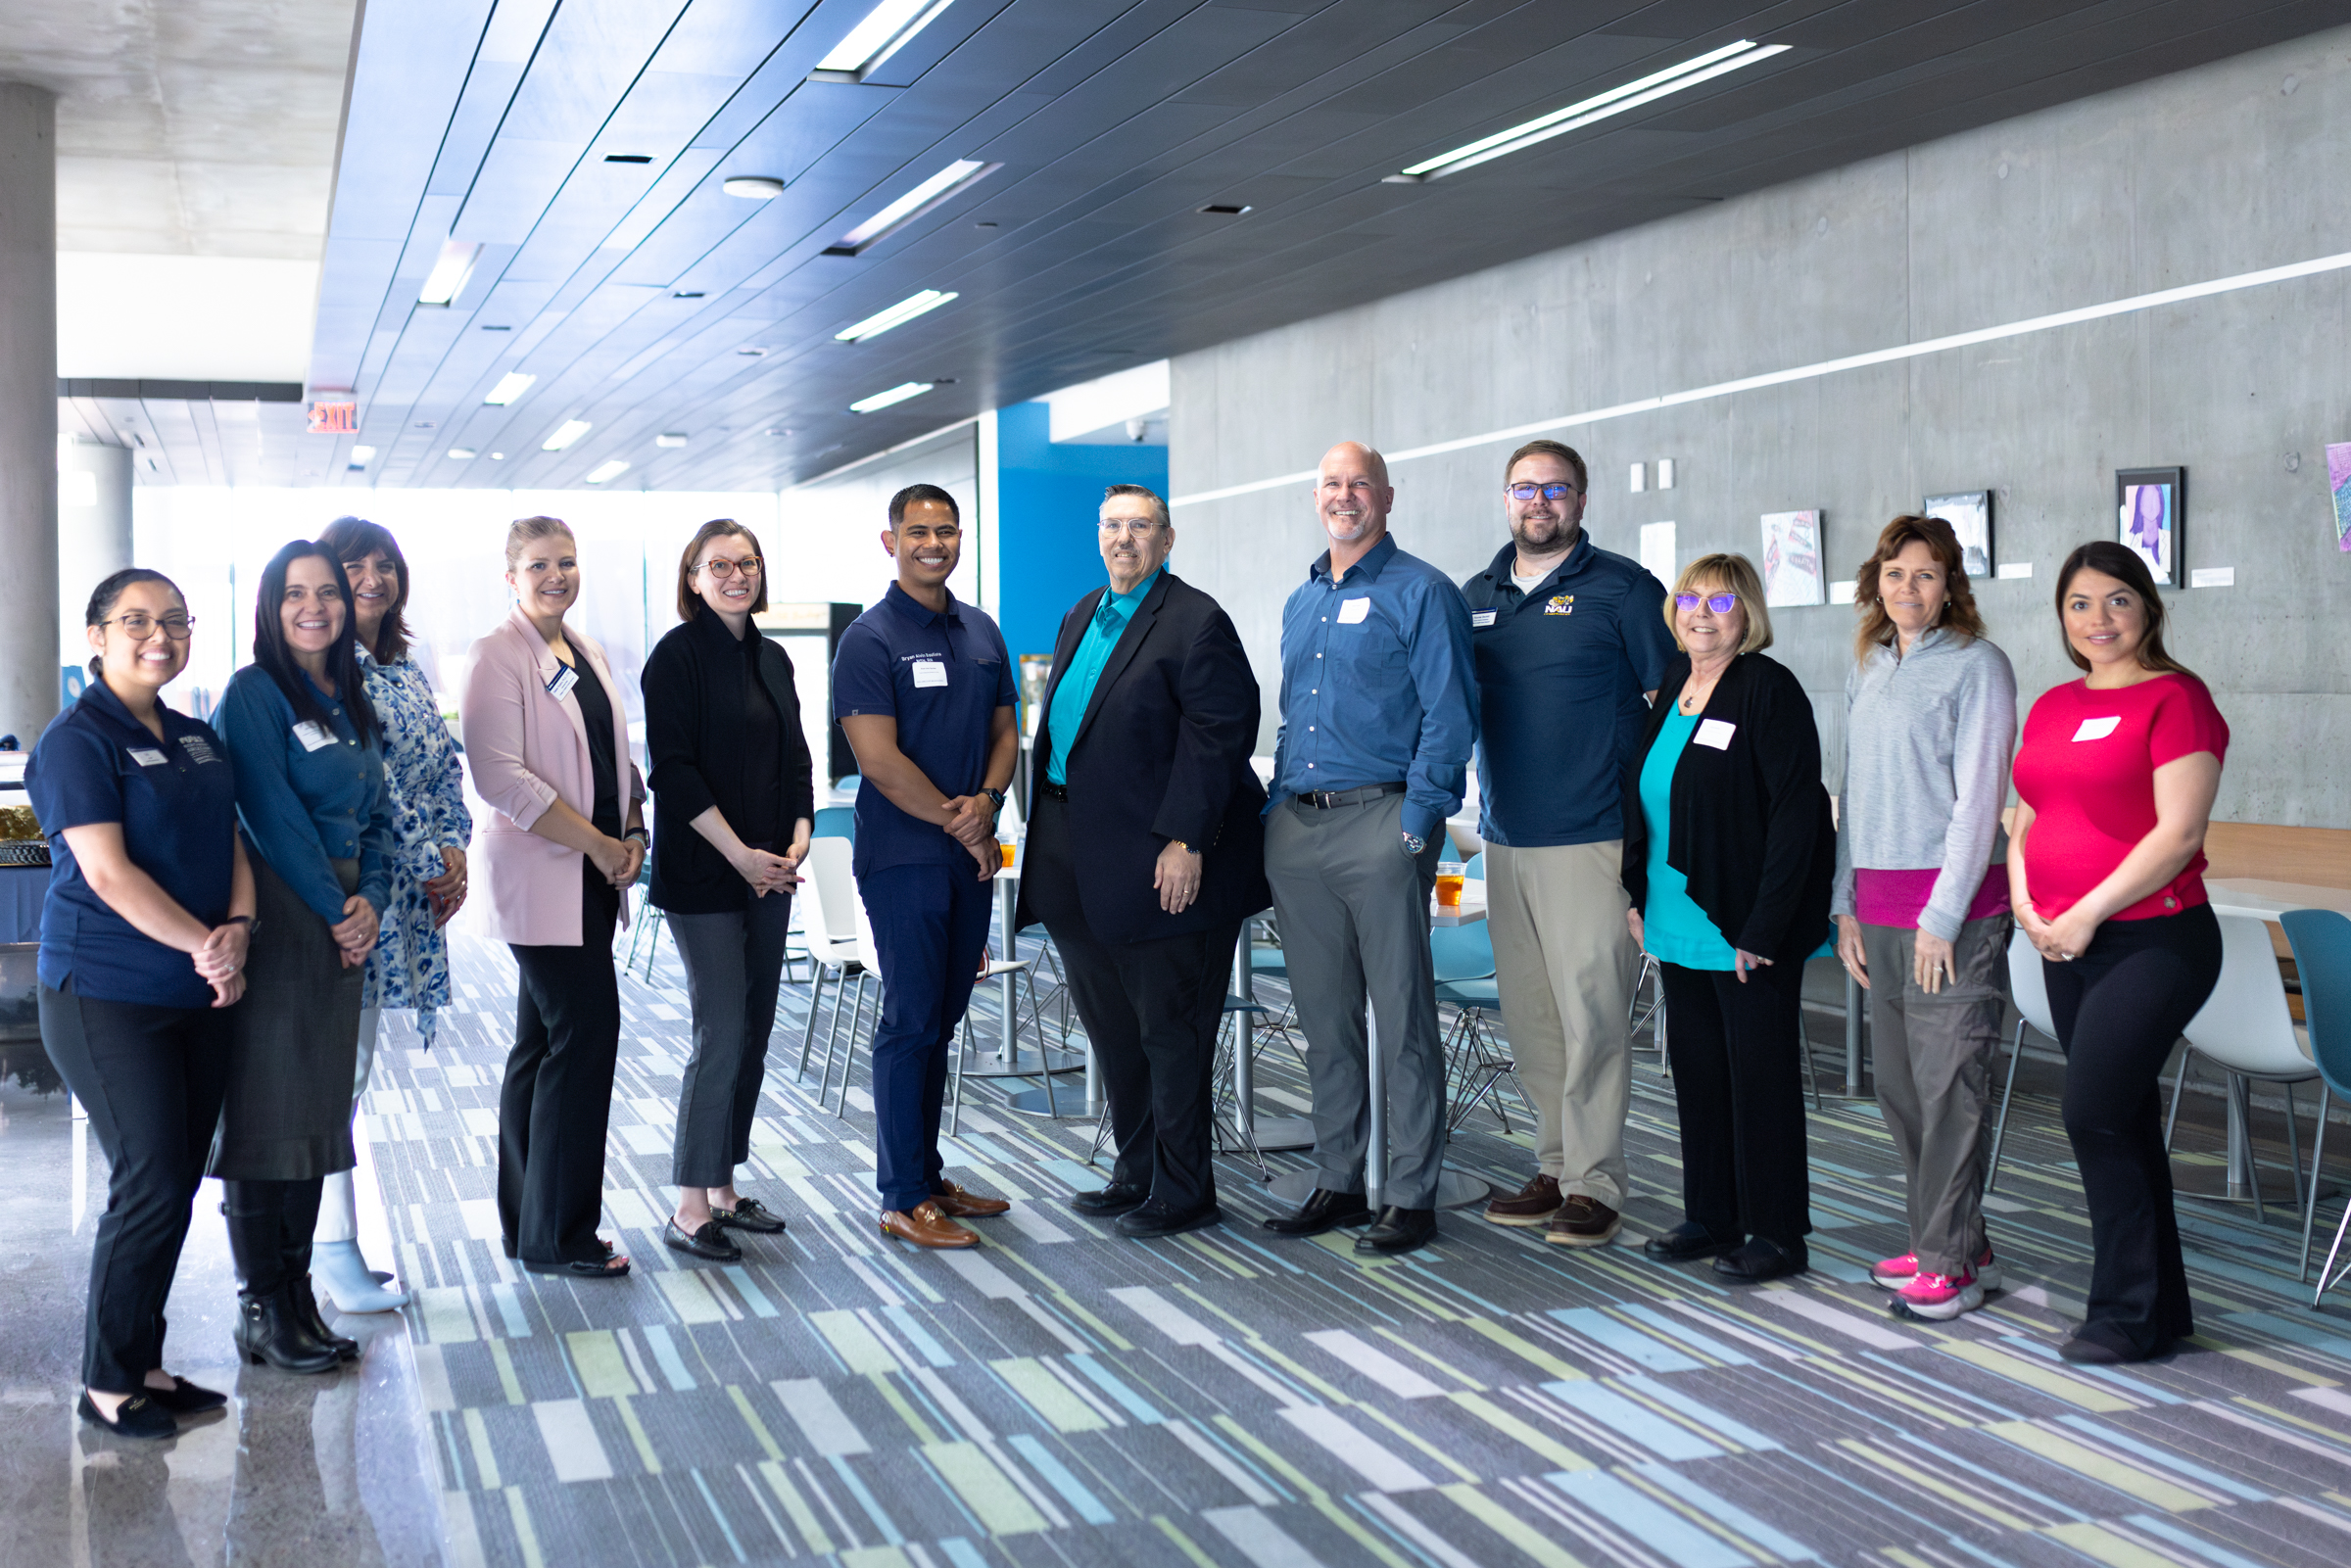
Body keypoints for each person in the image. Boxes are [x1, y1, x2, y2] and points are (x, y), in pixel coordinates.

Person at [31, 568, 254, 1437]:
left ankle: (147, 1362)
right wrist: (208, 945)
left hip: (199, 988)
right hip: (106, 992)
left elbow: (234, 841)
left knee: (175, 1180)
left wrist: (237, 924)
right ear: (96, 633)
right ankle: (106, 1379)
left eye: (173, 620)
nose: (157, 634)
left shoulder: (199, 738)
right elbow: (109, 875)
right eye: (134, 620)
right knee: (151, 1177)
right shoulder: (76, 741)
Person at [1015, 484, 1270, 1239]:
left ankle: (1187, 1187)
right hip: (1075, 856)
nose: (1124, 538)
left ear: (1167, 538)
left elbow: (1219, 734)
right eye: (1112, 526)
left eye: (1140, 526)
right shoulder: (1082, 614)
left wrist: (1186, 839)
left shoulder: (1196, 620)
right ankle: (1137, 1170)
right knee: (1114, 1029)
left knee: (1172, 1028)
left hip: (1164, 864)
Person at [2010, 540, 2227, 1363]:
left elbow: (2179, 834)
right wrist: (2031, 904)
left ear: (2148, 608)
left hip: (2155, 938)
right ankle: (2163, 1308)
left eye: (2116, 601)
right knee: (2125, 1116)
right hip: (2065, 940)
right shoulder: (2056, 705)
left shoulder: (2177, 699)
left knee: (2092, 1110)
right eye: (2079, 604)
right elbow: (2025, 813)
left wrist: (2086, 913)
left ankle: (2124, 1314)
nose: (2098, 619)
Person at [1261, 442, 1477, 1257]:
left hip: (1383, 822)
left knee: (1403, 1017)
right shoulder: (1300, 601)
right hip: (1298, 825)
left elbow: (1449, 715)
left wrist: (1417, 823)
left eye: (1359, 483)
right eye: (1330, 484)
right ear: (1316, 497)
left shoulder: (1421, 590)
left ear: (1386, 495)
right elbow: (1291, 719)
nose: (1344, 496)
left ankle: (1412, 1191)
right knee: (1323, 1019)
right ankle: (1341, 1176)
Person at [1460, 440, 1672, 1247]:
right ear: (1506, 499)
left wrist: (1649, 843)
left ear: (1580, 501)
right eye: (1524, 488)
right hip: (1505, 838)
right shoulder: (1476, 594)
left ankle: (1597, 1182)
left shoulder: (1624, 589)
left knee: (1593, 1018)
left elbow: (1671, 707)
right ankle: (1554, 1164)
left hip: (1594, 837)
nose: (1538, 501)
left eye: (1556, 488)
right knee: (1535, 1018)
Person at [1621, 553, 1834, 1285]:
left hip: (1745, 927)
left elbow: (1796, 821)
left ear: (1749, 613)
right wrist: (1634, 898)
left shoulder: (1768, 690)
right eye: (1689, 598)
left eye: (1721, 601)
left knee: (1761, 1083)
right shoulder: (1678, 685)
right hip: (1676, 919)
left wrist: (1765, 928)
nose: (1701, 613)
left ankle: (1777, 1232)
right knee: (1700, 1075)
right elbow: (1648, 800)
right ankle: (1711, 1214)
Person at [213, 541, 397, 1370]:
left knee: (318, 1113)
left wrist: (375, 903)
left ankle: (296, 1299)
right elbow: (272, 815)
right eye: (296, 594)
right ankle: (262, 1306)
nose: (316, 606)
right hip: (285, 918)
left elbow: (382, 815)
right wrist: (336, 911)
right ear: (270, 605)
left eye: (327, 591)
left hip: (340, 920)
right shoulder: (253, 695)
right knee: (268, 1118)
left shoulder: (351, 697)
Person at [1830, 516, 2017, 1321]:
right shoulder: (1869, 668)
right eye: (1896, 573)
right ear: (1877, 582)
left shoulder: (1980, 667)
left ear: (1952, 587)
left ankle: (1952, 1263)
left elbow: (1981, 803)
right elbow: (1853, 795)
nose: (1909, 588)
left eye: (1927, 574)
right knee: (1903, 1093)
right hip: (1877, 908)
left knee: (1950, 1091)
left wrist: (1943, 915)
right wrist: (1845, 904)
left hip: (1954, 915)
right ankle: (1949, 1234)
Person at [832, 484, 1017, 1249]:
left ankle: (927, 1172)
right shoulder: (869, 640)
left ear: (960, 538)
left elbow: (1009, 728)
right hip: (906, 859)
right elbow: (878, 760)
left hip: (966, 857)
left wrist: (989, 799)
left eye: (945, 530)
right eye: (917, 531)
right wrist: (964, 825)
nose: (932, 542)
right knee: (910, 1022)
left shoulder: (981, 630)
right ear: (891, 542)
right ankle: (902, 1195)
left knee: (942, 1019)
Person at [461, 516, 646, 1278]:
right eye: (539, 565)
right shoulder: (496, 655)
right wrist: (600, 843)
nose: (557, 575)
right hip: (546, 876)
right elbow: (499, 777)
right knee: (586, 1036)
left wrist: (632, 826)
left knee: (541, 1045)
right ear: (511, 575)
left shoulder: (586, 650)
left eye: (567, 562)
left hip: (596, 876)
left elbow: (616, 754)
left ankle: (527, 1221)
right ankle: (564, 1233)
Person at [642, 518, 814, 1262]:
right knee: (720, 1028)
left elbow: (801, 758)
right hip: (709, 873)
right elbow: (673, 772)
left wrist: (798, 836)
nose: (736, 575)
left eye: (748, 562)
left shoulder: (774, 658)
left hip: (772, 872)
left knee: (756, 1026)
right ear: (693, 576)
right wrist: (741, 853)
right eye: (720, 564)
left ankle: (723, 1184)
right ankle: (687, 1202)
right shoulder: (674, 658)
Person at [312, 516, 472, 1315]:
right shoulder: (321, 674)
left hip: (406, 887)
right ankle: (327, 1252)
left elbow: (444, 766)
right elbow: (369, 783)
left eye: (385, 565)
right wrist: (426, 856)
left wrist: (456, 847)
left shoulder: (402, 668)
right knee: (335, 1074)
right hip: (352, 890)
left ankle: (338, 1244)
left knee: (356, 1068)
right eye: (353, 565)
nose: (372, 578)